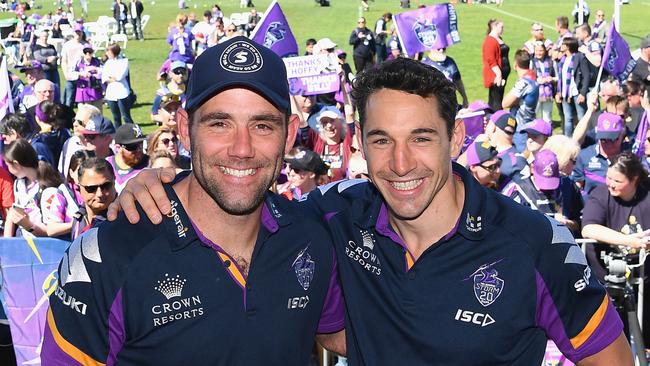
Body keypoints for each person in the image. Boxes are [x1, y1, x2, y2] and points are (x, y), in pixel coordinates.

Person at [111, 57, 631, 364]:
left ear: (456, 138)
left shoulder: (531, 243)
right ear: (360, 142)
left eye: (421, 138)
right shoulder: (331, 215)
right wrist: (159, 181)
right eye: (382, 139)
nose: (401, 163)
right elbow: (236, 198)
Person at [42, 36, 345, 364]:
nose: (241, 149)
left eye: (262, 125)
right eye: (219, 123)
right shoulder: (106, 256)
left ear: (289, 134)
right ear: (185, 129)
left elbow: (347, 335)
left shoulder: (310, 238)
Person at [572, 112, 627, 195]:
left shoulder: (630, 156)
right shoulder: (585, 156)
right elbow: (577, 189)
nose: (608, 144)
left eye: (612, 139)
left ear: (622, 135)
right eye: (603, 139)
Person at [71, 157, 116, 240]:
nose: (100, 194)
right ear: (79, 189)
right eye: (91, 188)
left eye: (106, 186)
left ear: (114, 183)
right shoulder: (79, 218)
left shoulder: (125, 217)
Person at [502, 49, 539, 152]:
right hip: (528, 124)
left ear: (515, 64)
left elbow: (505, 103)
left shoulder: (524, 83)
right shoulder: (532, 79)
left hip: (521, 129)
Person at [556, 37, 592, 137]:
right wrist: (559, 92)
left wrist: (583, 93)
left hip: (576, 92)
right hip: (565, 93)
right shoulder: (563, 59)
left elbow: (586, 76)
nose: (561, 46)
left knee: (582, 117)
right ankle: (568, 139)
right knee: (568, 118)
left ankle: (585, 138)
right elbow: (561, 78)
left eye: (563, 44)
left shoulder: (579, 57)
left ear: (568, 46)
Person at [108, 124, 149, 193]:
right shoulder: (107, 165)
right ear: (118, 148)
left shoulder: (151, 165)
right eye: (133, 146)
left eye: (141, 144)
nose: (139, 149)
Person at [102, 43, 134, 127]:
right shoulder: (108, 63)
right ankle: (118, 135)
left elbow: (120, 76)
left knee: (126, 116)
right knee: (116, 117)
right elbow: (104, 77)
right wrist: (112, 78)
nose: (107, 53)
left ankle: (132, 133)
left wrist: (112, 77)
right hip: (111, 93)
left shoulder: (124, 61)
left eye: (108, 51)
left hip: (122, 91)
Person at [482, 19, 510, 111]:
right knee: (496, 99)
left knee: (497, 97)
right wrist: (498, 74)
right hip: (495, 75)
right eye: (501, 27)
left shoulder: (498, 39)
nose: (503, 29)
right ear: (494, 27)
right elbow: (490, 59)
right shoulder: (490, 41)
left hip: (502, 74)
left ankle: (493, 117)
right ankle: (497, 118)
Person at [59, 30, 86, 107]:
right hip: (70, 75)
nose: (78, 34)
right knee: (68, 100)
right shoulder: (67, 45)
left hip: (82, 76)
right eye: (76, 32)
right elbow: (64, 61)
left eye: (79, 32)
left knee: (83, 101)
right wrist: (65, 73)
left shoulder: (85, 45)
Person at [532, 42, 556, 123]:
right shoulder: (531, 62)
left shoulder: (550, 62)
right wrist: (537, 80)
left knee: (547, 116)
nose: (539, 53)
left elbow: (557, 77)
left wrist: (552, 79)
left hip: (548, 93)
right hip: (535, 92)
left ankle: (547, 133)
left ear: (545, 51)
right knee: (535, 115)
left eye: (541, 50)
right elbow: (527, 76)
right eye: (537, 50)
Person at [74, 45, 103, 110]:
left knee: (97, 111)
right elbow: (72, 74)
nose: (87, 54)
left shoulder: (97, 61)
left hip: (95, 89)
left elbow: (103, 73)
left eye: (89, 52)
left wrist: (95, 70)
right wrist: (81, 74)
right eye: (85, 52)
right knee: (85, 112)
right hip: (83, 90)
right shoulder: (78, 62)